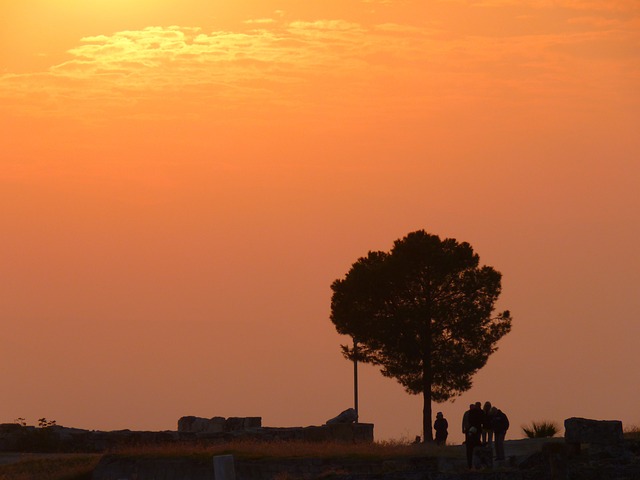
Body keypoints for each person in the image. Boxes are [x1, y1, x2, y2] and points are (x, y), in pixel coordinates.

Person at [464, 403, 484, 468]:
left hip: (472, 430)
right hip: (474, 430)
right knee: (475, 447)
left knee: (470, 450)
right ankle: (474, 465)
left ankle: (471, 465)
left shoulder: (471, 412)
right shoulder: (479, 412)